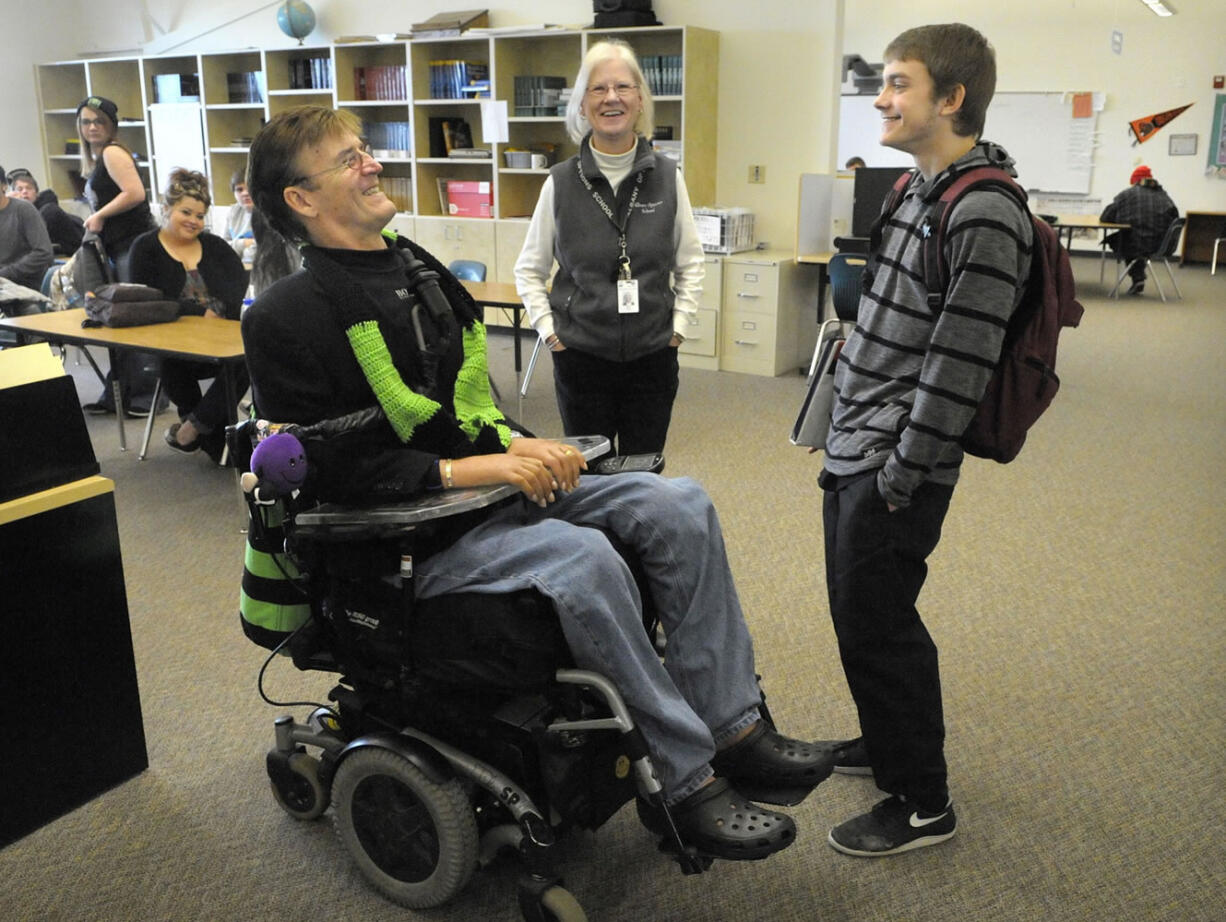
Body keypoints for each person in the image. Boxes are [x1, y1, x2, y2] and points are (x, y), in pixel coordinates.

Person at [243, 105, 833, 861]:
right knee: (580, 560)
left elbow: (464, 408)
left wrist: (528, 448)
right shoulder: (285, 316)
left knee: (676, 500)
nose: (372, 164)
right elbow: (323, 468)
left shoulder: (416, 274)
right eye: (349, 158)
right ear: (301, 198)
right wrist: (479, 467)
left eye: (365, 150)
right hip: (405, 536)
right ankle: (683, 785)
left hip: (488, 491)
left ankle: (735, 728)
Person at [816, 24, 1033, 857]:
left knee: (881, 622)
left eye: (899, 84)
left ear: (952, 99)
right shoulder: (914, 187)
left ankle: (923, 803)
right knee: (857, 613)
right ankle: (887, 744)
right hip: (855, 439)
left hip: (897, 462)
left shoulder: (984, 210)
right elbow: (886, 316)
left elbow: (960, 364)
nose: (881, 97)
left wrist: (901, 471)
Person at [514, 40, 704, 458]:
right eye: (598, 89)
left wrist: (678, 329)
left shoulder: (668, 176)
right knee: (588, 477)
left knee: (642, 473)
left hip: (652, 355)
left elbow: (690, 262)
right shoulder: (560, 182)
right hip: (580, 356)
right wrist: (550, 334)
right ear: (582, 105)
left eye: (622, 87)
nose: (611, 98)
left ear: (640, 100)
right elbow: (529, 269)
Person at [128, 168, 248, 461]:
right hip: (174, 344)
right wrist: (197, 311)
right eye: (186, 212)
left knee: (251, 357)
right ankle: (213, 436)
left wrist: (222, 311)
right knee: (171, 361)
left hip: (220, 339)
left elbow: (238, 282)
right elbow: (148, 298)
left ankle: (192, 428)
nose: (194, 221)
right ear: (167, 208)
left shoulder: (215, 246)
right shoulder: (145, 248)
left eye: (200, 215)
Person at [76, 95, 155, 277]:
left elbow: (135, 193)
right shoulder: (101, 157)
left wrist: (99, 215)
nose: (92, 127)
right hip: (120, 245)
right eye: (86, 122)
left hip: (133, 244)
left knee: (135, 302)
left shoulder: (112, 152)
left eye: (99, 121)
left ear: (111, 125)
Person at [1100, 165, 1178, 295]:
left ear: (1136, 181)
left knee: (1120, 240)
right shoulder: (1165, 197)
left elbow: (1106, 217)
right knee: (1134, 239)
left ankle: (1138, 277)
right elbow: (1175, 218)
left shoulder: (1127, 195)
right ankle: (1138, 278)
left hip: (1138, 243)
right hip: (1163, 246)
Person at [0, 165, 54, 303]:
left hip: (24, 284)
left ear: (4, 186)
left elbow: (43, 252)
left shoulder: (23, 209)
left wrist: (5, 273)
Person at [5, 168, 85, 255]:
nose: (24, 192)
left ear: (36, 193)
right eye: (19, 189)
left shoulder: (47, 201)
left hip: (78, 239)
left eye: (28, 188)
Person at [223, 170, 256, 269]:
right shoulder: (233, 211)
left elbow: (258, 251)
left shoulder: (268, 214)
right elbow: (222, 246)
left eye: (249, 188)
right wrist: (245, 243)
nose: (245, 193)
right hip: (235, 269)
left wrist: (235, 244)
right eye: (239, 189)